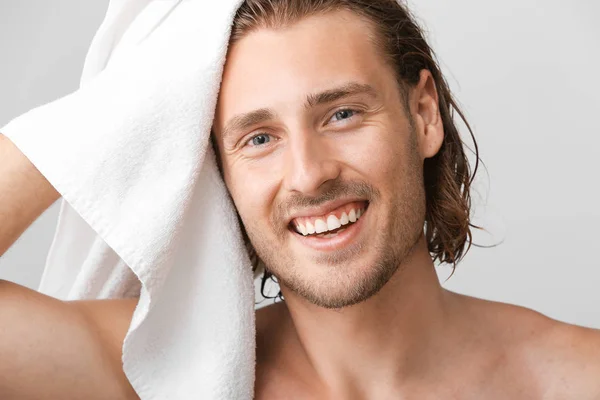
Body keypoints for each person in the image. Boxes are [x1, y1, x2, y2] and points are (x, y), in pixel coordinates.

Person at [0, 0, 599, 399]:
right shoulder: (157, 375)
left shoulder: (576, 379)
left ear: (423, 114)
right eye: (259, 138)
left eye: (341, 114)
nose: (308, 176)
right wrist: (136, 93)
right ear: (217, 171)